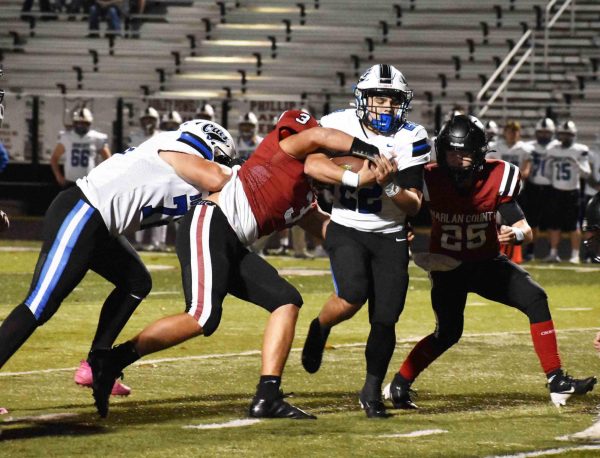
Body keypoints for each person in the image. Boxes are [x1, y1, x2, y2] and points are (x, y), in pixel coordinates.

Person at [88, 109, 381, 420]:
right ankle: (111, 361)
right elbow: (319, 136)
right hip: (210, 222)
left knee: (286, 301)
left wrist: (369, 244)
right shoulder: (282, 152)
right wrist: (371, 150)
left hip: (229, 239)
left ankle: (267, 396)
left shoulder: (304, 194)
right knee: (202, 316)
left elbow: (326, 227)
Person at [0, 119, 237, 401]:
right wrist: (241, 175)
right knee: (40, 304)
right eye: (222, 160)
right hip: (83, 210)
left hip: (100, 225)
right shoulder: (179, 148)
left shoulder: (192, 172)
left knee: (136, 282)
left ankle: (96, 364)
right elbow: (216, 178)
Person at [380, 114, 596, 411]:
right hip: (448, 266)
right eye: (451, 154)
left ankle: (556, 380)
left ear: (480, 154)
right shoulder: (429, 177)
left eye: (464, 154)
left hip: (487, 263)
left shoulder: (498, 176)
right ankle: (399, 384)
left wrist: (516, 234)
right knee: (448, 333)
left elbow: (525, 228)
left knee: (535, 297)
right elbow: (407, 214)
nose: (457, 161)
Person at [301, 64, 430, 418]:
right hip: (347, 226)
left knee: (386, 318)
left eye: (392, 101)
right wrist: (354, 178)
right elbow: (311, 163)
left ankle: (371, 390)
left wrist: (388, 184)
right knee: (352, 294)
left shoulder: (412, 136)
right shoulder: (338, 123)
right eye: (378, 99)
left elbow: (414, 203)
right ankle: (320, 326)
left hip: (390, 235)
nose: (385, 107)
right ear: (363, 99)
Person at [544, 120, 591, 263]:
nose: (565, 137)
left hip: (572, 192)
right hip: (556, 190)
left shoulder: (580, 149)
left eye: (568, 134)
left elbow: (587, 173)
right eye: (563, 134)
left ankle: (575, 255)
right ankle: (553, 253)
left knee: (574, 224)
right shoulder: (552, 149)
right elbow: (547, 172)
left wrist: (577, 164)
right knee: (554, 224)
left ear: (574, 135)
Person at [128, 107, 167, 252]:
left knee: (161, 210)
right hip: (141, 176)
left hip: (159, 176)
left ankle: (158, 242)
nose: (148, 122)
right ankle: (139, 241)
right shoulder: (134, 136)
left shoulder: (164, 136)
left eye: (150, 119)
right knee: (141, 211)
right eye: (145, 119)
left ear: (156, 121)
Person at [521, 118, 560, 261]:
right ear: (536, 132)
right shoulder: (528, 146)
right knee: (532, 222)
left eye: (547, 132)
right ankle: (530, 250)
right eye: (541, 132)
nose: (544, 135)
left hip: (551, 187)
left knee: (552, 221)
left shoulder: (557, 146)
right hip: (533, 187)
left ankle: (553, 252)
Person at [50, 108, 112, 189]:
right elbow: (54, 158)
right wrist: (59, 176)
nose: (81, 125)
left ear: (89, 123)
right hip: (70, 182)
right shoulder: (66, 137)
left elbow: (109, 160)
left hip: (88, 183)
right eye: (78, 123)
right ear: (74, 123)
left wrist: (102, 178)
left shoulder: (96, 138)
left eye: (84, 123)